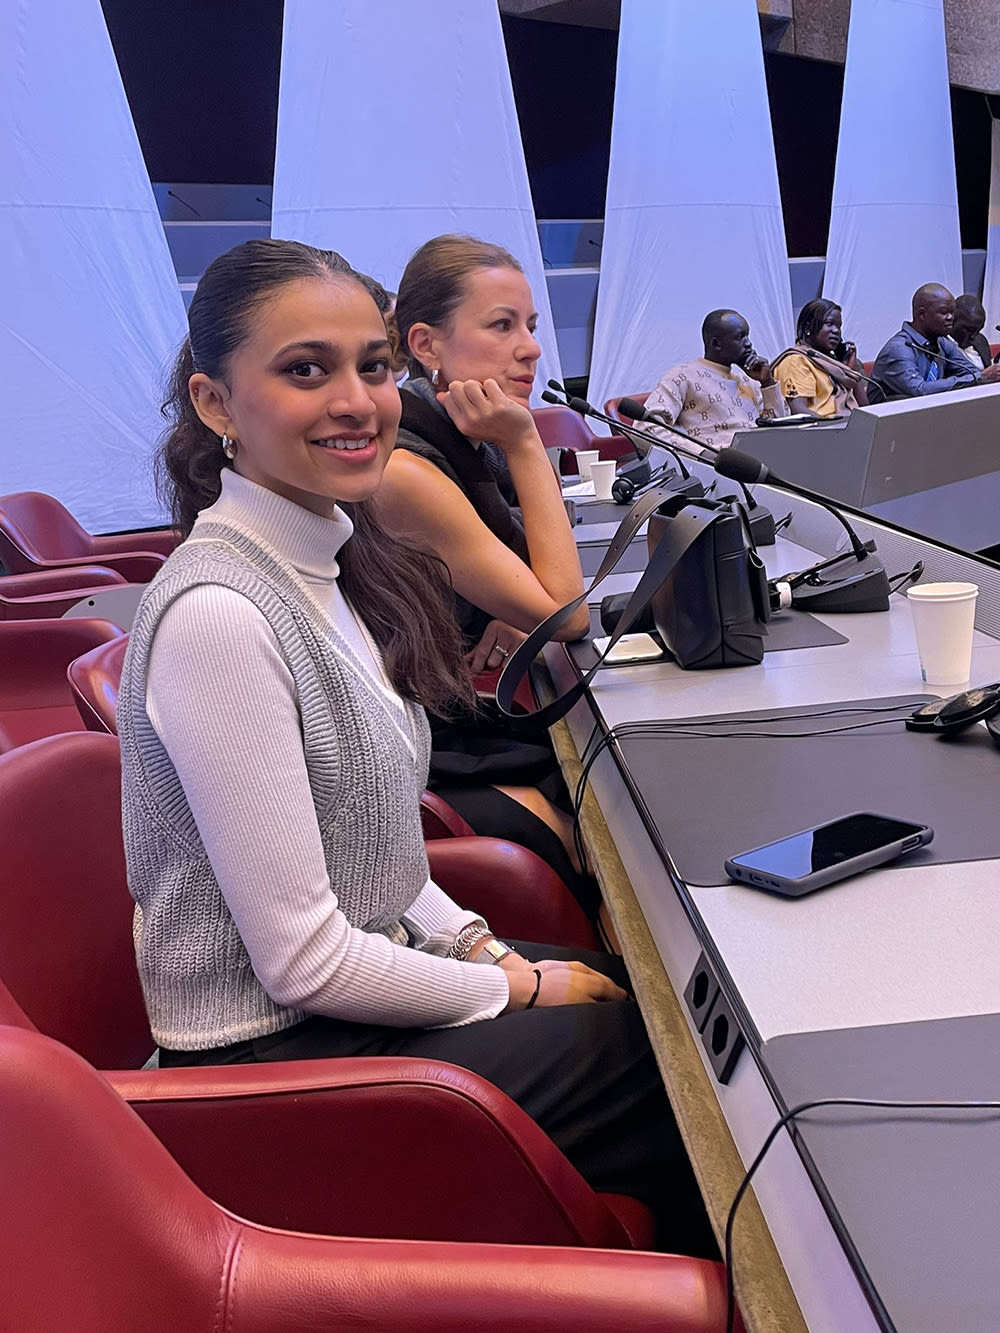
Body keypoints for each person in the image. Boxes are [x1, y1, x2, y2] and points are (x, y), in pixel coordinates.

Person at [116, 238, 711, 1253]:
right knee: (662, 1059)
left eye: (373, 366)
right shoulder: (221, 612)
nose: (356, 399)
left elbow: (380, 846)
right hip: (270, 1060)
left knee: (662, 1009)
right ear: (216, 404)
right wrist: (511, 984)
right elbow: (302, 961)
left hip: (346, 997)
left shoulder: (334, 563)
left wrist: (477, 942)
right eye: (306, 369)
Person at [377, 235, 594, 905]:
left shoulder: (458, 435)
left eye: (528, 326)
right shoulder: (404, 468)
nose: (530, 347)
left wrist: (503, 600)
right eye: (502, 326)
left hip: (457, 707)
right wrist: (528, 440)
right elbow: (566, 613)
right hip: (421, 746)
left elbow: (533, 566)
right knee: (601, 808)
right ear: (427, 344)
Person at [642, 309, 789, 450]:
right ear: (716, 344)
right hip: (714, 468)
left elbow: (784, 429)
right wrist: (700, 453)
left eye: (748, 336)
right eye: (740, 337)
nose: (748, 343)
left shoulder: (748, 380)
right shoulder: (682, 376)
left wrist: (767, 383)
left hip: (763, 463)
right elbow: (646, 427)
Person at [871, 283, 1000, 398]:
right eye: (944, 312)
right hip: (889, 421)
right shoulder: (899, 348)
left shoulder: (942, 342)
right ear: (922, 314)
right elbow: (919, 390)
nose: (950, 318)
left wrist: (982, 377)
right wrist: (980, 378)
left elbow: (970, 372)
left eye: (952, 312)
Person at [774, 297, 869, 415]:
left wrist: (850, 370)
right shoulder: (796, 361)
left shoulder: (832, 363)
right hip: (825, 429)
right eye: (829, 324)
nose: (836, 331)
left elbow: (866, 409)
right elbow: (798, 411)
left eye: (839, 326)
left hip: (848, 425)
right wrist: (836, 428)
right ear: (808, 328)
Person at [950, 294, 994, 372]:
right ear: (952, 320)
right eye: (969, 330)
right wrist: (983, 378)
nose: (973, 337)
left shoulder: (980, 340)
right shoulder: (939, 346)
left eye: (978, 330)